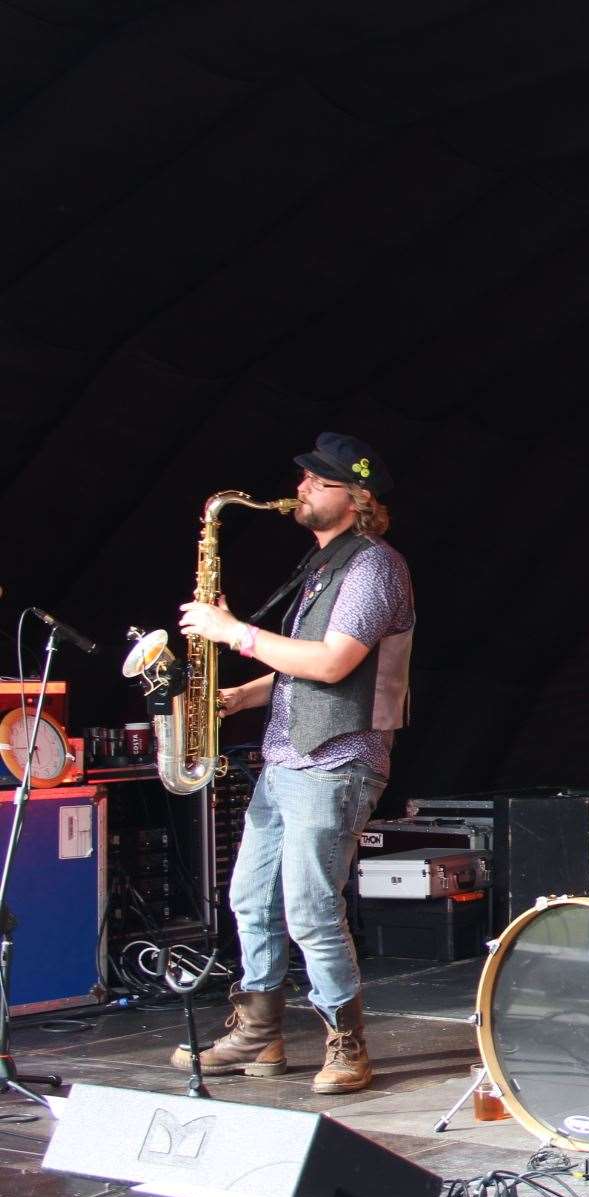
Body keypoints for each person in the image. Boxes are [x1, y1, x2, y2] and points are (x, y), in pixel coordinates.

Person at [169, 433, 415, 1095]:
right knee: (250, 898)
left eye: (319, 480)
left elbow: (335, 663)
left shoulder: (373, 567)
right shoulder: (324, 566)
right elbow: (303, 676)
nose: (301, 487)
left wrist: (235, 635)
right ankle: (260, 1032)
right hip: (285, 759)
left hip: (336, 762)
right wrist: (238, 697)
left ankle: (347, 1043)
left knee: (309, 908)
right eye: (304, 477)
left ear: (359, 499)